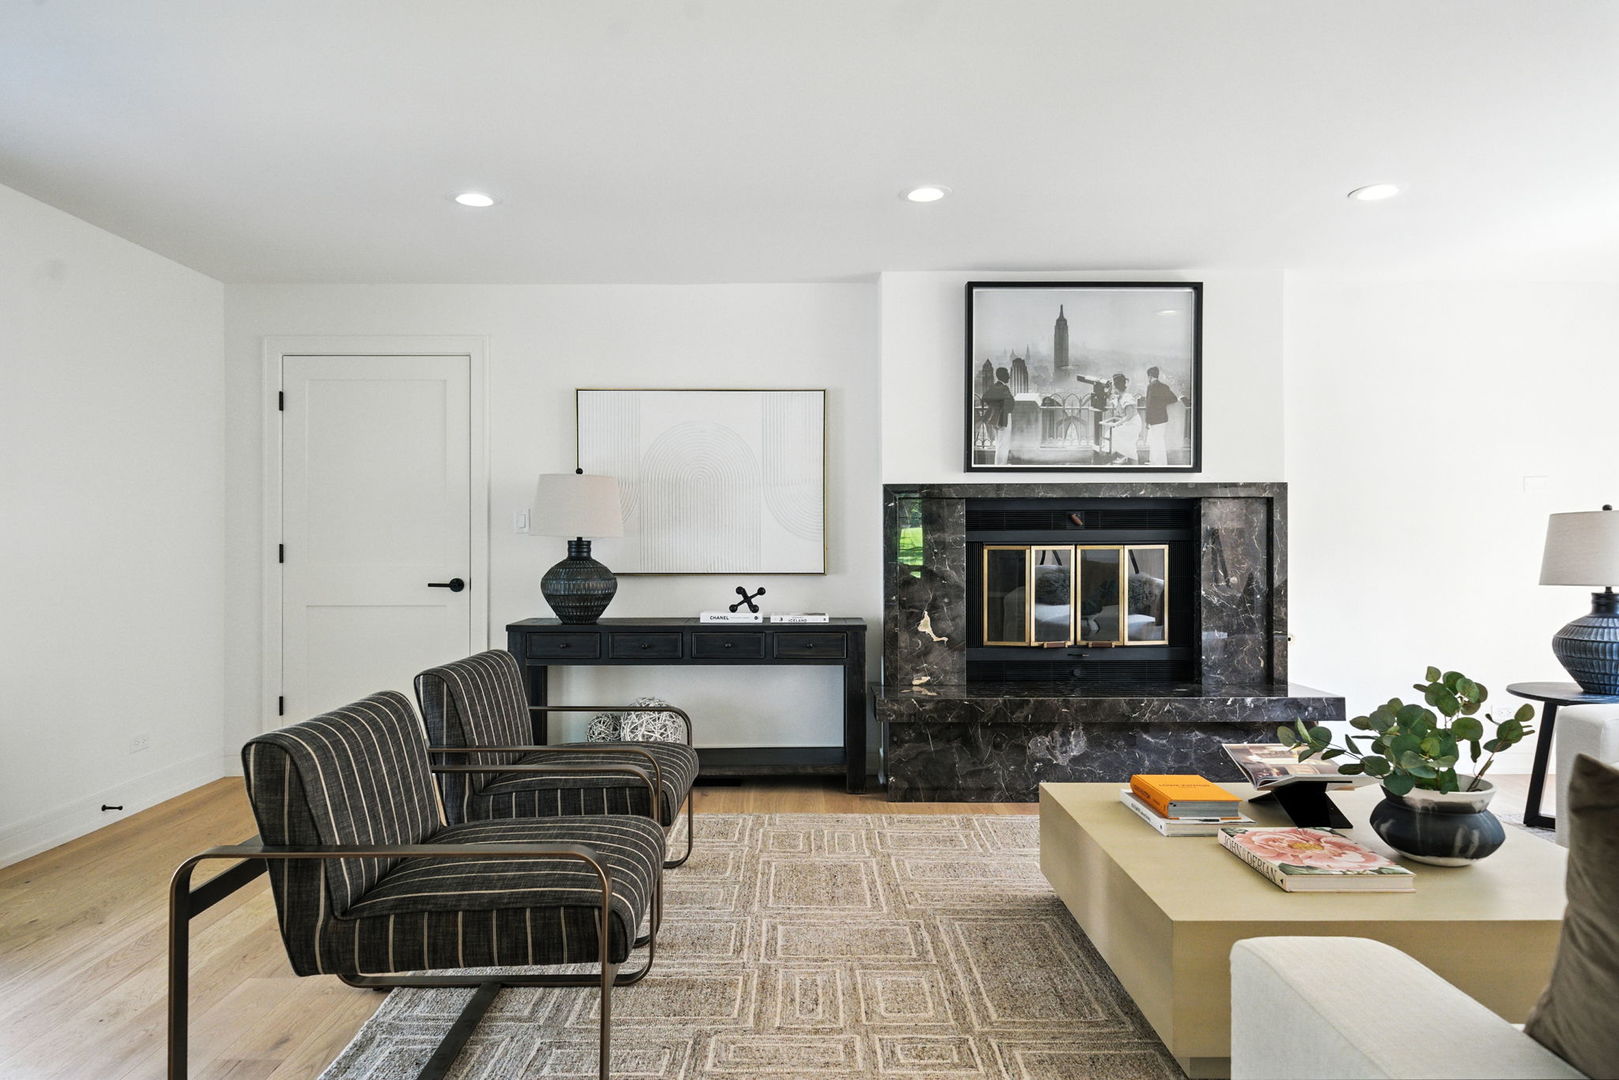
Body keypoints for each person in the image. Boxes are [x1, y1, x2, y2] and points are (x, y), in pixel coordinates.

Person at [1143, 366, 1179, 466]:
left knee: (1154, 442)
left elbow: (1149, 404)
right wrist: (1162, 402)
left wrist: (1147, 421)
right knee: (1159, 441)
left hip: (1154, 420)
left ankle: (1157, 463)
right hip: (1163, 418)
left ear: (1150, 376)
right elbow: (1174, 399)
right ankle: (1158, 462)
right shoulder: (1165, 386)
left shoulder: (1150, 386)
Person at [1101, 373, 1141, 463]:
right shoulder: (1119, 397)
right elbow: (1121, 412)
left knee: (1113, 434)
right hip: (1128, 423)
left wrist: (1117, 424)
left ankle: (1126, 460)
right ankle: (1124, 459)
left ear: (1116, 385)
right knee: (1126, 444)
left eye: (1112, 384)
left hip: (1133, 424)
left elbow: (1129, 415)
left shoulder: (1127, 397)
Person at [982, 366, 1014, 464]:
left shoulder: (994, 386)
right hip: (1004, 418)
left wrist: (995, 407)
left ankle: (998, 464)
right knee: (1003, 444)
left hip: (995, 419)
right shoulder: (1004, 388)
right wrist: (1001, 407)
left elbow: (985, 397)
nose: (1009, 376)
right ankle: (1000, 465)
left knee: (999, 443)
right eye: (1007, 374)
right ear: (1003, 376)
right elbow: (1011, 403)